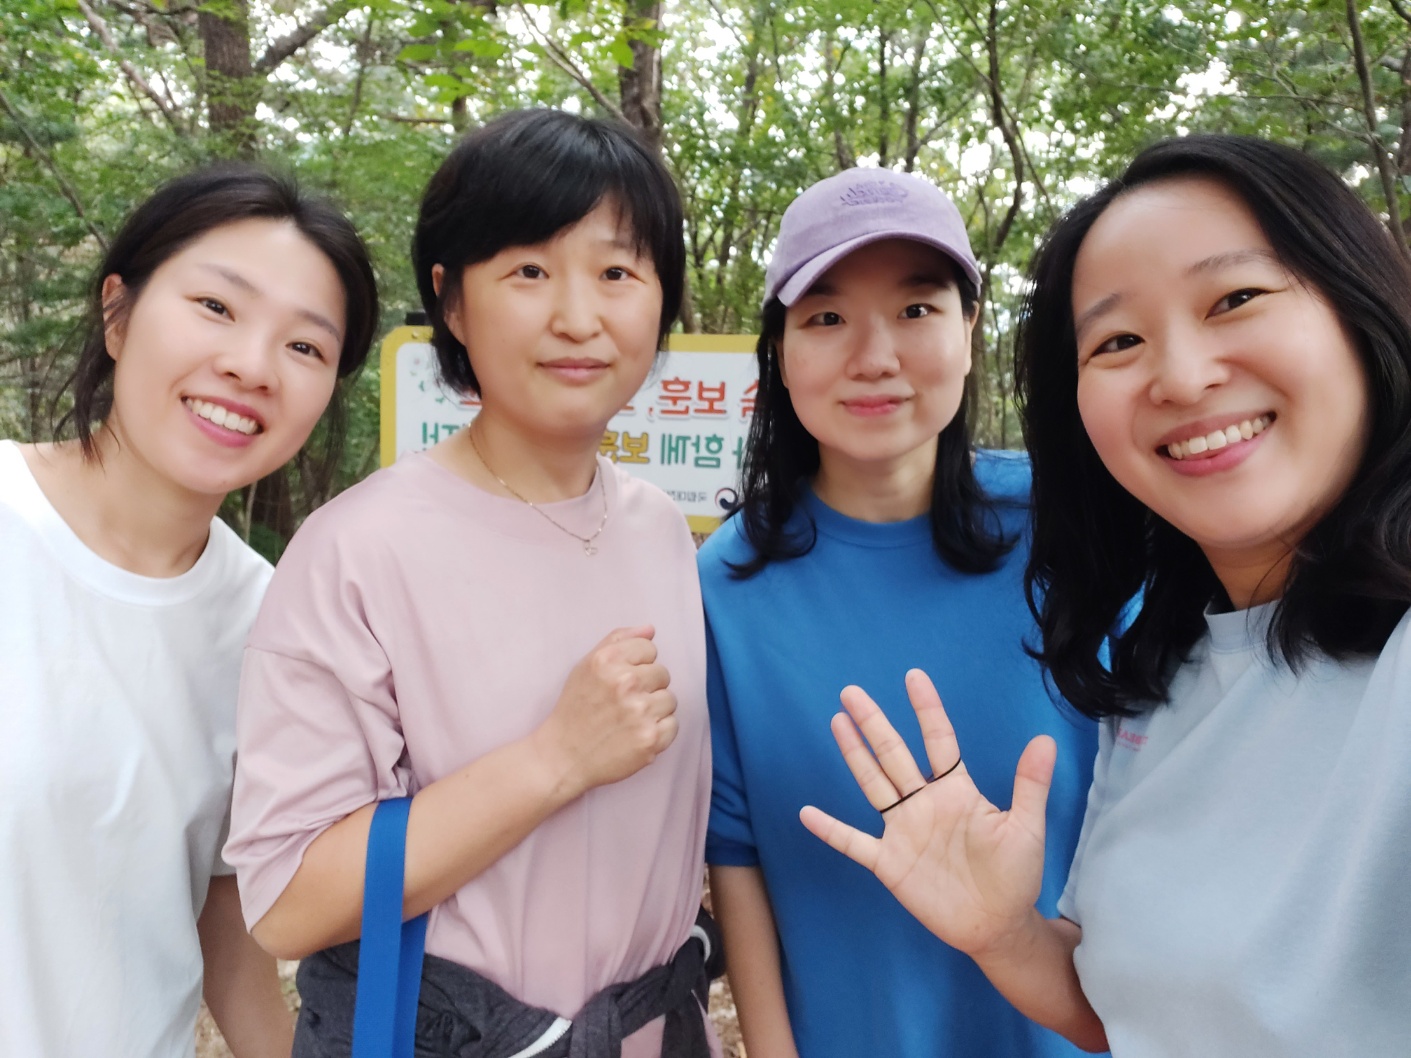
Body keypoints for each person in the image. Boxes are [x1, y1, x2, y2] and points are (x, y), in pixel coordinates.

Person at [802, 134, 1411, 1055]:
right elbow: (1128, 1012)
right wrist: (1004, 934)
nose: (1182, 377)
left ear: (1357, 305)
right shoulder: (1158, 679)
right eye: (1118, 341)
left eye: (1234, 299)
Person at [223, 109, 720, 1058]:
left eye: (617, 273)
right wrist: (554, 759)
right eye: (528, 271)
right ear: (451, 301)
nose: (578, 317)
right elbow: (288, 900)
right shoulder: (356, 550)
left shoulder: (659, 528)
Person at [699, 167, 1099, 1058]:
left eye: (916, 309)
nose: (874, 357)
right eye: (826, 319)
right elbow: (737, 854)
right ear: (780, 352)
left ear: (969, 330)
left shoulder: (1079, 537)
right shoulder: (723, 584)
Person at [0, 164, 379, 1057]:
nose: (250, 365)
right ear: (118, 314)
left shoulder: (273, 625)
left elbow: (220, 912)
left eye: (305, 347)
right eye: (216, 306)